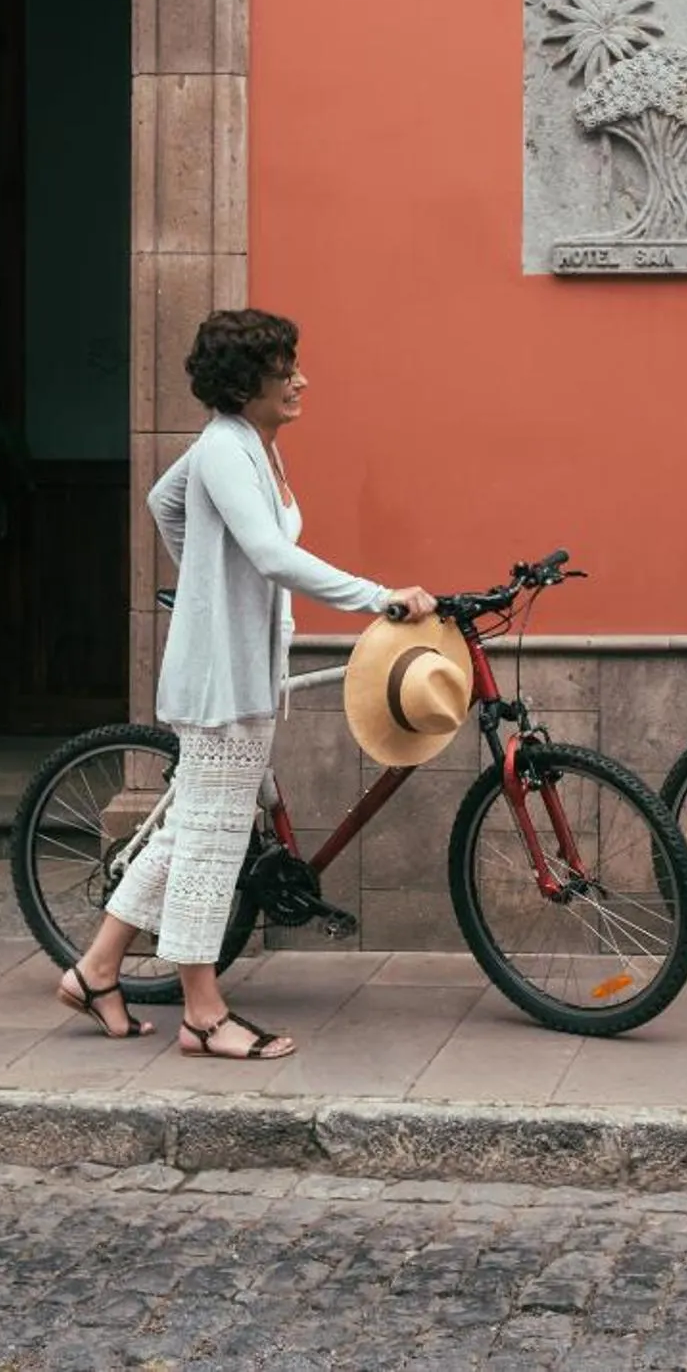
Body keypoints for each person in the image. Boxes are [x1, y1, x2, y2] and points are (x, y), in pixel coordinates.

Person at [57, 308, 432, 1059]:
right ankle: (201, 1012)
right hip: (222, 677)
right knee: (211, 844)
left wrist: (204, 577)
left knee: (188, 827)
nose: (299, 379)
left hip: (237, 663)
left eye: (294, 364)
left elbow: (165, 501)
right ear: (243, 382)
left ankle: (96, 969)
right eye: (282, 369)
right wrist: (375, 594)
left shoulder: (249, 446)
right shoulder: (226, 447)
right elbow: (268, 553)